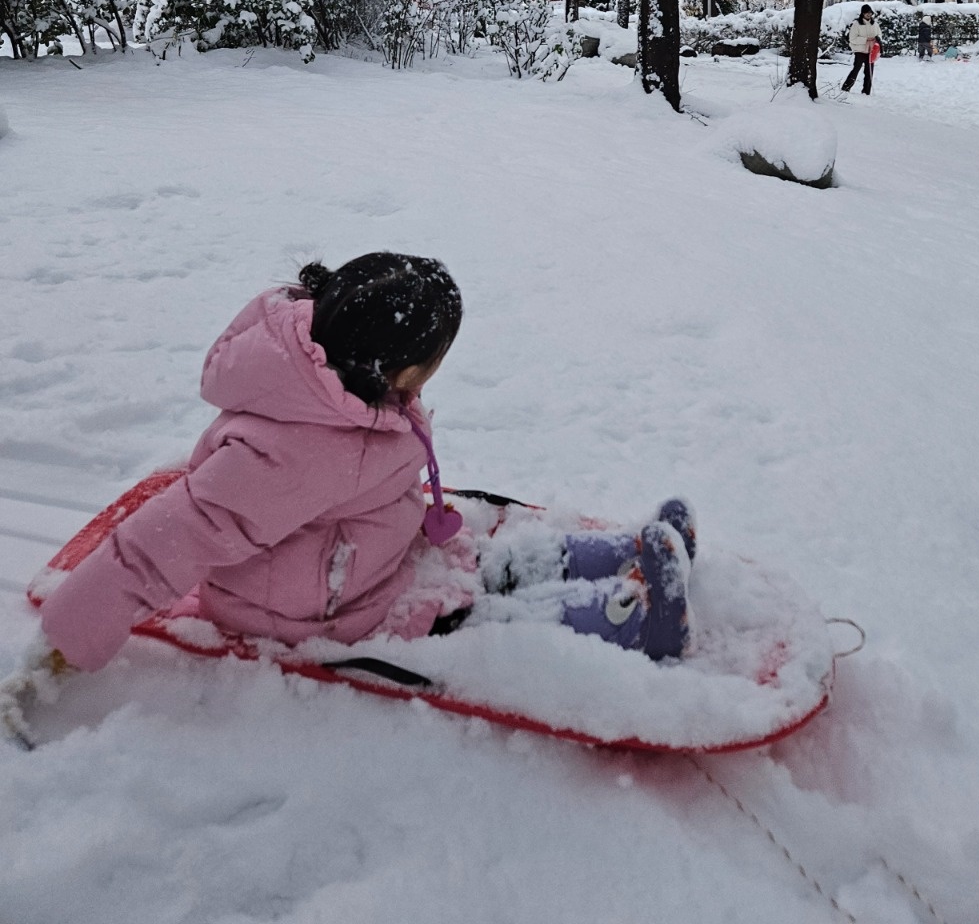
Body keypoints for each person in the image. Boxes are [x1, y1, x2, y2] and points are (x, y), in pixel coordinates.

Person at [37, 253, 693, 673]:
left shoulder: (342, 379)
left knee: (466, 564)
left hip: (366, 554)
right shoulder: (288, 454)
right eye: (430, 366)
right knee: (460, 611)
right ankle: (627, 618)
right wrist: (73, 632)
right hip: (310, 610)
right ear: (393, 368)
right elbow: (164, 544)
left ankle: (618, 553)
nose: (431, 379)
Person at [842, 5, 880, 93]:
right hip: (860, 50)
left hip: (871, 51)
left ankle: (866, 91)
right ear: (863, 13)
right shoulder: (857, 24)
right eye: (867, 13)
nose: (868, 15)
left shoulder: (875, 24)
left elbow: (879, 34)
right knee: (856, 69)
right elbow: (852, 39)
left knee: (869, 72)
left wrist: (877, 40)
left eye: (870, 13)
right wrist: (865, 39)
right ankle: (846, 88)